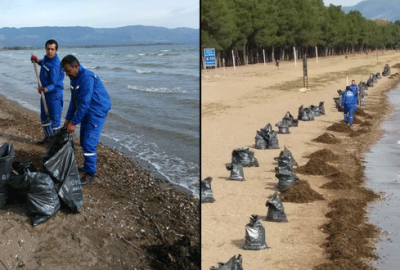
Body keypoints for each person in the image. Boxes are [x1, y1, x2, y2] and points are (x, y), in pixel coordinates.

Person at [61, 55, 111, 186]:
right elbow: (74, 102)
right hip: (87, 110)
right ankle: (86, 166)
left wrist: (74, 123)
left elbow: (84, 103)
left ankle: (90, 174)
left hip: (96, 111)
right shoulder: (74, 79)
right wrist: (68, 119)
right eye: (64, 71)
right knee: (83, 140)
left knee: (89, 143)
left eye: (68, 71)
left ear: (76, 66)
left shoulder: (87, 78)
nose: (66, 74)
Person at [31, 39, 64, 144]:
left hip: (54, 95)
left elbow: (54, 84)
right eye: (48, 49)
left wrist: (45, 89)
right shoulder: (47, 59)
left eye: (52, 49)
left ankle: (56, 144)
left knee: (55, 121)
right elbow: (45, 64)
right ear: (45, 49)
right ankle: (48, 139)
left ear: (56, 50)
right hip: (45, 94)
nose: (50, 51)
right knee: (44, 118)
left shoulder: (56, 65)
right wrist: (37, 61)